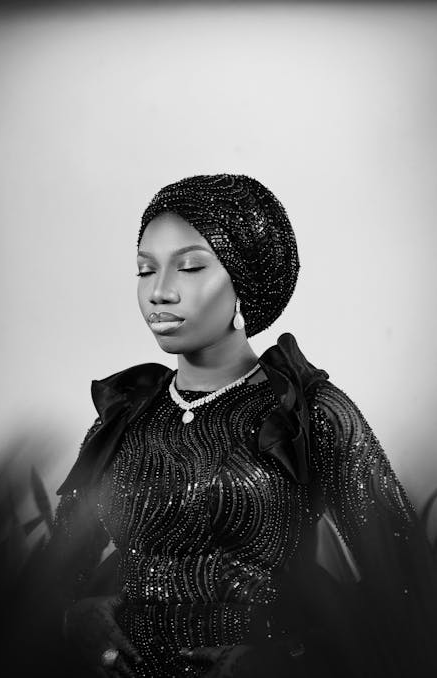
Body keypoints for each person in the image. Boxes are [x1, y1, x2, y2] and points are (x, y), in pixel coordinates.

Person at [46, 174, 437, 678]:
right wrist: (74, 616)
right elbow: (57, 572)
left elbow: (406, 583)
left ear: (244, 282)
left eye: (188, 267)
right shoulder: (126, 415)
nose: (159, 292)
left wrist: (294, 658)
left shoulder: (307, 412)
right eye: (145, 270)